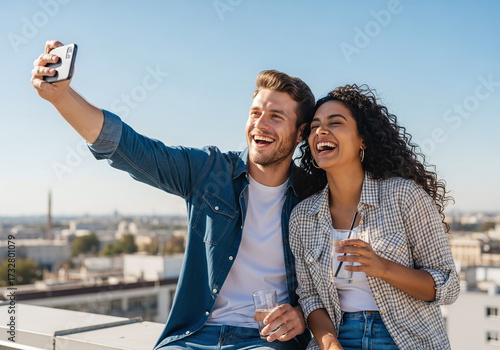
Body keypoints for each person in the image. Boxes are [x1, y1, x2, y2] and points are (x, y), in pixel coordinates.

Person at [31, 40, 315, 349]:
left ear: (301, 133)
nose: (260, 124)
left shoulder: (312, 195)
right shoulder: (209, 172)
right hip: (194, 335)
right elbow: (129, 147)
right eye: (255, 112)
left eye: (276, 117)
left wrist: (303, 315)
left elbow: (338, 284)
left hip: (268, 340)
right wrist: (60, 97)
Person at [289, 84, 460, 350]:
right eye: (314, 127)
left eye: (336, 123)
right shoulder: (302, 216)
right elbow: (310, 298)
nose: (321, 131)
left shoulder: (403, 196)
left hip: (407, 339)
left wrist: (382, 268)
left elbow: (448, 286)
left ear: (363, 140)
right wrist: (329, 343)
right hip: (339, 336)